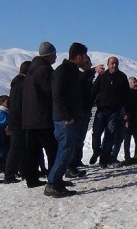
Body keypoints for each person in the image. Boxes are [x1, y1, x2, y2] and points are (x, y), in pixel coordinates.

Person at [44, 42, 89, 198]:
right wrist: (67, 116)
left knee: (66, 151)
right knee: (65, 151)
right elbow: (57, 95)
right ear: (77, 57)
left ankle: (56, 180)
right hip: (65, 120)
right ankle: (52, 184)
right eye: (84, 56)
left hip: (71, 118)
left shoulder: (73, 71)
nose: (86, 59)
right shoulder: (63, 71)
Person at [22, 41, 58, 189]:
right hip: (42, 117)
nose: (55, 57)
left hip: (30, 118)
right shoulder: (44, 70)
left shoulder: (31, 70)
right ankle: (54, 178)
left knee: (33, 151)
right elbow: (50, 92)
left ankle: (31, 179)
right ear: (49, 55)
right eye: (54, 55)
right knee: (53, 150)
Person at [90, 56, 130, 168]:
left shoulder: (122, 77)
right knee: (96, 133)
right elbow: (93, 91)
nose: (114, 65)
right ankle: (96, 150)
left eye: (116, 63)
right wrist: (89, 105)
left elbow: (127, 96)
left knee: (109, 136)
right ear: (108, 64)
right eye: (112, 63)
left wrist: (127, 111)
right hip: (101, 110)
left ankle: (104, 159)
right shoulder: (102, 76)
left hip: (114, 111)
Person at [70, 56, 104, 171]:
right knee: (76, 139)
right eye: (87, 63)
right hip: (79, 112)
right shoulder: (79, 76)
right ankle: (72, 163)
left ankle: (77, 160)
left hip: (86, 111)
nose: (88, 65)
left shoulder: (89, 78)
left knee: (81, 138)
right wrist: (94, 70)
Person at [4, 61, 31, 184]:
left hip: (16, 119)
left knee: (21, 147)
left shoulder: (16, 83)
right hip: (18, 120)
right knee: (16, 148)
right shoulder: (22, 85)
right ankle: (9, 175)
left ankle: (23, 172)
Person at [124, 77, 137, 160]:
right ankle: (127, 157)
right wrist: (125, 120)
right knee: (127, 140)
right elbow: (125, 107)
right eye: (134, 82)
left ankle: (136, 155)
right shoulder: (126, 94)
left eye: (136, 82)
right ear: (130, 84)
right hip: (129, 120)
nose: (136, 84)